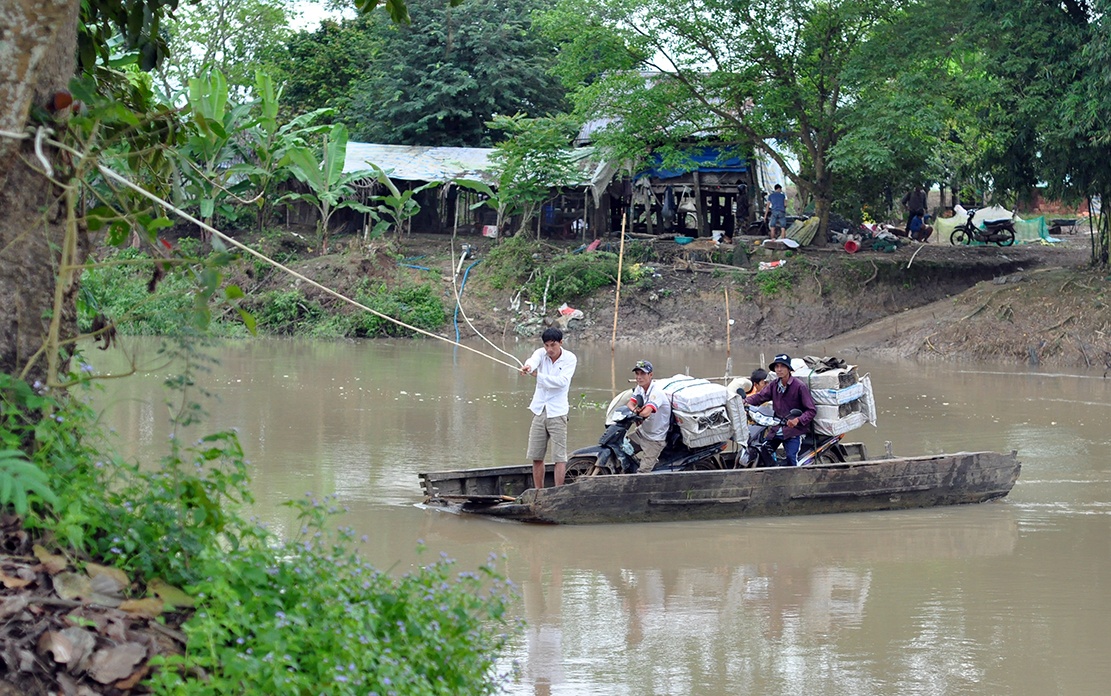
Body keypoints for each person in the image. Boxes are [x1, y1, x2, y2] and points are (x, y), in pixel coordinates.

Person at [520, 327, 577, 489]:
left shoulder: (570, 358)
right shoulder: (541, 353)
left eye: (553, 345)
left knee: (559, 457)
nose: (549, 349)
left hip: (558, 412)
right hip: (539, 410)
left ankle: (558, 491)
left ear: (561, 343)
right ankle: (538, 492)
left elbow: (562, 382)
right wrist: (528, 367)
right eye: (546, 345)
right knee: (536, 456)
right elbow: (533, 360)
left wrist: (538, 376)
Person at [744, 353, 816, 467]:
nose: (779, 369)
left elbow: (811, 411)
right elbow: (760, 397)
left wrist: (797, 420)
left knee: (791, 458)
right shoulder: (774, 385)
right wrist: (745, 401)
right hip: (776, 428)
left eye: (782, 366)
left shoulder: (799, 386)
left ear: (788, 369)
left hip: (794, 431)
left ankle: (796, 477)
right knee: (762, 452)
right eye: (777, 366)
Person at [626, 360, 671, 473]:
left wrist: (637, 412)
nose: (639, 377)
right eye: (637, 374)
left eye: (643, 374)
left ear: (650, 375)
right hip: (641, 433)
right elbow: (630, 403)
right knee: (622, 450)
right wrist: (636, 410)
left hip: (655, 439)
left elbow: (646, 413)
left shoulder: (656, 392)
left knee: (642, 473)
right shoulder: (640, 388)